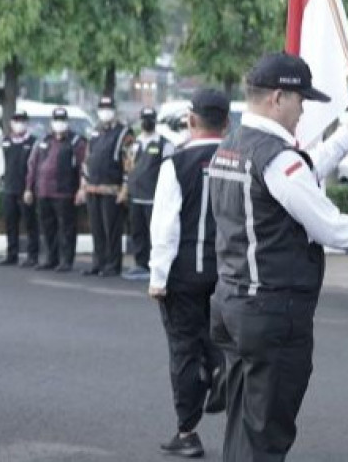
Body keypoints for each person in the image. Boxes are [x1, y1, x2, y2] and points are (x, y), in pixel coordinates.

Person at [208, 52, 348, 462]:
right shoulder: (276, 156)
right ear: (278, 98)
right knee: (266, 436)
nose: (303, 108)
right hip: (271, 312)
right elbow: (329, 226)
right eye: (300, 98)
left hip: (233, 304)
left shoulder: (232, 144)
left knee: (242, 428)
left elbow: (304, 174)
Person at [148, 90, 230, 458]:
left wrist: (157, 276)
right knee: (217, 338)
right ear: (228, 123)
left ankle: (186, 431)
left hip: (185, 273)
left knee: (183, 349)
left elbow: (164, 227)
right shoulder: (239, 160)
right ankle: (221, 373)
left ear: (191, 120)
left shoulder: (176, 163)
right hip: (229, 272)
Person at [25, 108, 87, 272]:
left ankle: (66, 260)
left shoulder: (76, 142)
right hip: (43, 192)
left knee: (66, 228)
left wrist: (82, 188)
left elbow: (84, 167)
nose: (59, 123)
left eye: (62, 119)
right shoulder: (43, 140)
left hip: (65, 192)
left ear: (67, 122)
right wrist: (29, 188)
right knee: (47, 227)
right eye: (56, 119)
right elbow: (33, 165)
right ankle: (51, 258)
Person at [82, 96, 135, 277]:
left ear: (114, 110)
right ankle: (98, 263)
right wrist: (84, 182)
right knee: (96, 229)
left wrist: (125, 188)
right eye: (102, 107)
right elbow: (87, 159)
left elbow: (129, 163)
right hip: (93, 188)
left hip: (112, 189)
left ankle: (112, 265)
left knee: (111, 229)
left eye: (108, 108)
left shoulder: (124, 133)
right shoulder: (95, 132)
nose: (105, 111)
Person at [125, 106, 175, 281]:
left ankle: (156, 266)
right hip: (136, 196)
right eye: (144, 119)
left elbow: (169, 169)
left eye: (150, 119)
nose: (147, 122)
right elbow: (129, 167)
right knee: (137, 232)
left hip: (153, 198)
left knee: (154, 233)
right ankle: (140, 264)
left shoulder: (164, 143)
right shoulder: (136, 142)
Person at [0, 111, 39, 267]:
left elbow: (34, 167)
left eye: (22, 121)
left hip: (26, 189)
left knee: (30, 223)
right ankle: (11, 254)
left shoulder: (33, 142)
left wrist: (30, 188)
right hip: (9, 187)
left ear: (27, 123)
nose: (19, 124)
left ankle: (32, 255)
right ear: (11, 123)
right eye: (16, 120)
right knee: (10, 223)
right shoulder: (6, 141)